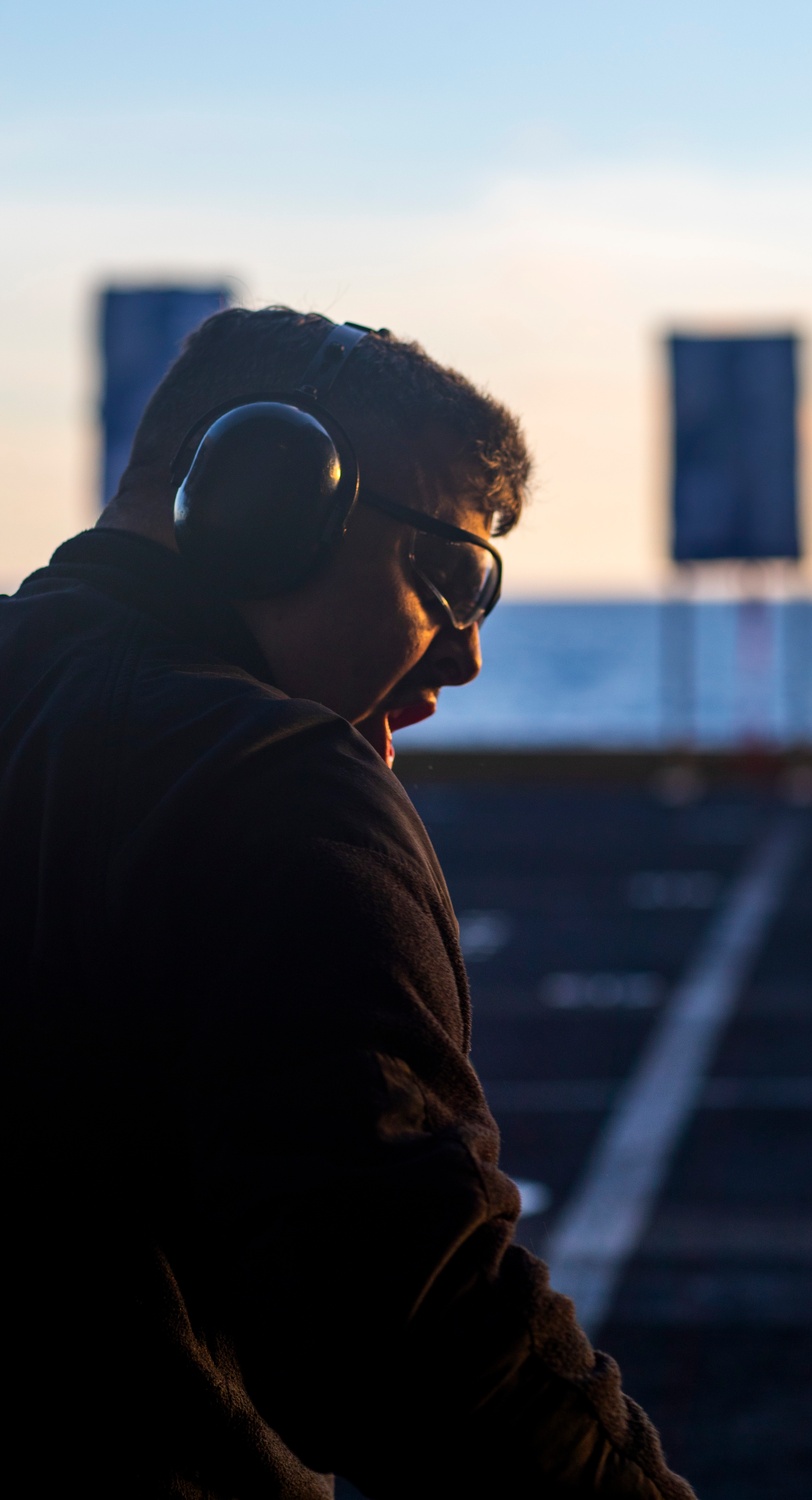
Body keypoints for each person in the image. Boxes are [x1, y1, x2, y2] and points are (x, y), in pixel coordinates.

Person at [0, 307, 695, 1499]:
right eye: (447, 573)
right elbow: (410, 1333)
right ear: (270, 503)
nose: (466, 654)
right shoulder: (270, 783)